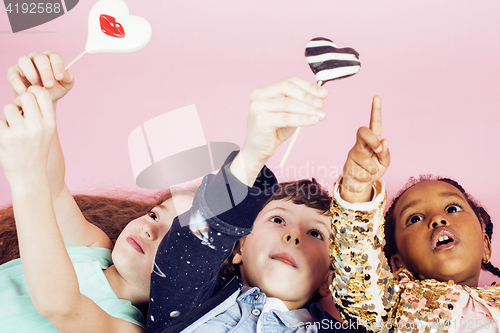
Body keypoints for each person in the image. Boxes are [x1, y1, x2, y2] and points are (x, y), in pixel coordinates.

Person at [0, 52, 196, 332]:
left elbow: (60, 306)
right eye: (154, 216)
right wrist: (45, 100)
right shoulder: (93, 248)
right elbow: (53, 190)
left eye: (174, 240)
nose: (149, 232)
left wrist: (24, 178)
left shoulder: (127, 327)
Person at [147, 78, 355, 333]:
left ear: (328, 280)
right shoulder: (192, 301)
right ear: (238, 249)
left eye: (316, 233)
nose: (293, 235)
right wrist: (252, 157)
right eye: (278, 220)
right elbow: (193, 245)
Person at [329, 97, 500, 332]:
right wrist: (356, 190)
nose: (438, 220)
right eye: (415, 219)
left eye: (452, 208)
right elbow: (358, 279)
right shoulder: (396, 308)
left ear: (486, 245)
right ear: (398, 263)